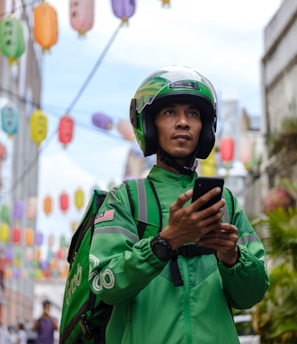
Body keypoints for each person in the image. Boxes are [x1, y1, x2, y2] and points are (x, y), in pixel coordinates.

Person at [89, 65, 269, 343]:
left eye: (193, 114)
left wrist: (232, 257)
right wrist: (165, 242)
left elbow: (251, 296)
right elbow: (105, 284)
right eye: (170, 112)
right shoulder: (126, 198)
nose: (183, 122)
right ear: (150, 125)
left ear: (204, 128)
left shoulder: (224, 202)